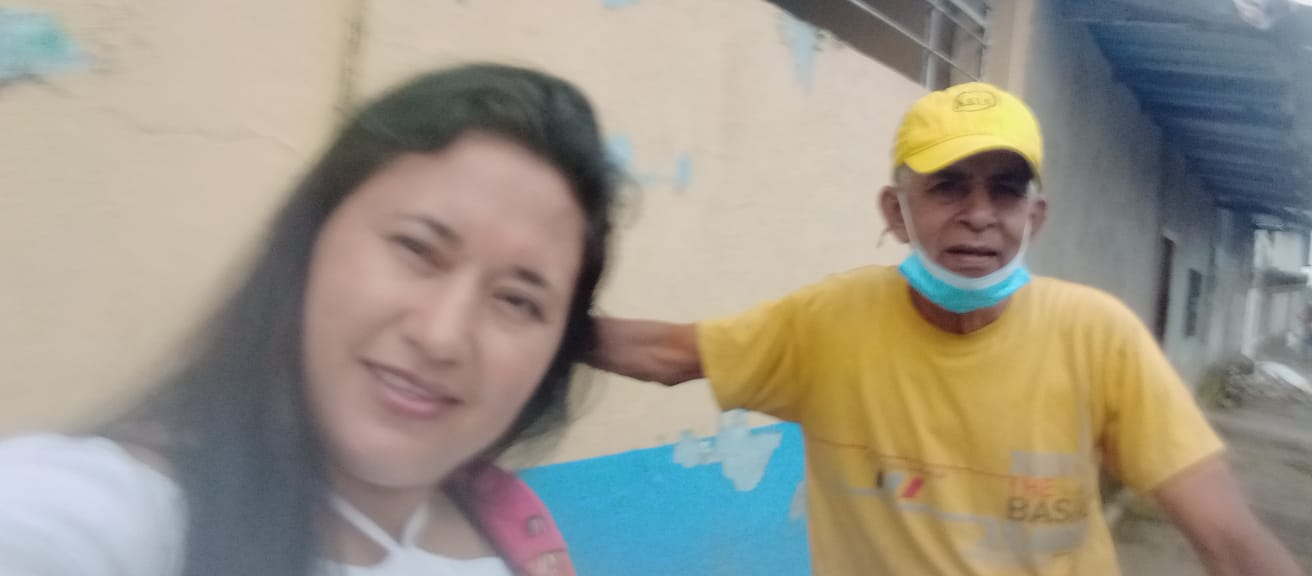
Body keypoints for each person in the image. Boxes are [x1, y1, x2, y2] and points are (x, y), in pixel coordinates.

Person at [591, 82, 1302, 575]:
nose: (980, 214)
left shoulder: (1098, 336)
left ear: (1035, 217)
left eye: (1006, 190)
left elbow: (1227, 536)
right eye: (948, 186)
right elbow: (670, 354)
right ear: (895, 211)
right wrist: (543, 322)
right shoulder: (827, 322)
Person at [0, 63, 616, 576]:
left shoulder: (516, 535)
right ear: (308, 242)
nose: (442, 336)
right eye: (416, 248)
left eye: (517, 301)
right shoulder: (110, 513)